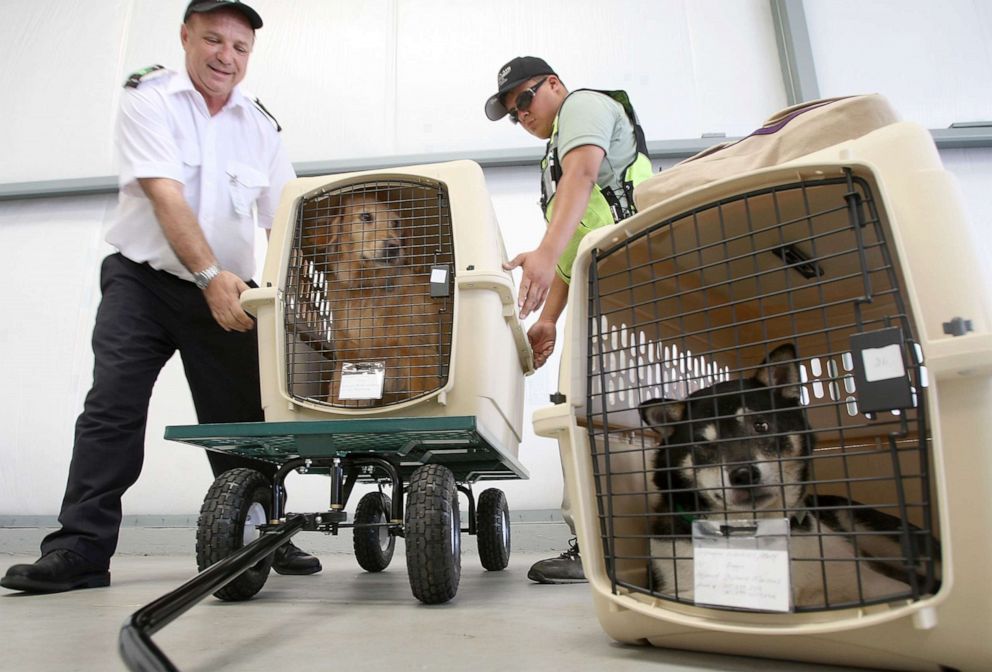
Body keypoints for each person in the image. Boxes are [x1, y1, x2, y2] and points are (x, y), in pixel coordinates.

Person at [1, 0, 320, 594]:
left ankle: (263, 531)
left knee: (242, 423)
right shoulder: (149, 98)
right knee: (111, 410)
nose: (226, 56)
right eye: (213, 40)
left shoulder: (262, 127)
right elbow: (164, 194)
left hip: (230, 294)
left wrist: (282, 301)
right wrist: (207, 276)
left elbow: (284, 225)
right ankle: (80, 551)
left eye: (240, 47)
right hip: (142, 282)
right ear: (186, 37)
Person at [485, 56, 652, 583]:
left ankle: (611, 544)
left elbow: (582, 178)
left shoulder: (584, 106)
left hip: (638, 277)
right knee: (583, 412)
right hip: (605, 289)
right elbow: (574, 244)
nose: (522, 116)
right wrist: (549, 320)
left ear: (553, 85)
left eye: (525, 100)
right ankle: (600, 542)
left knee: (608, 413)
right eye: (513, 114)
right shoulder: (551, 159)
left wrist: (541, 249)